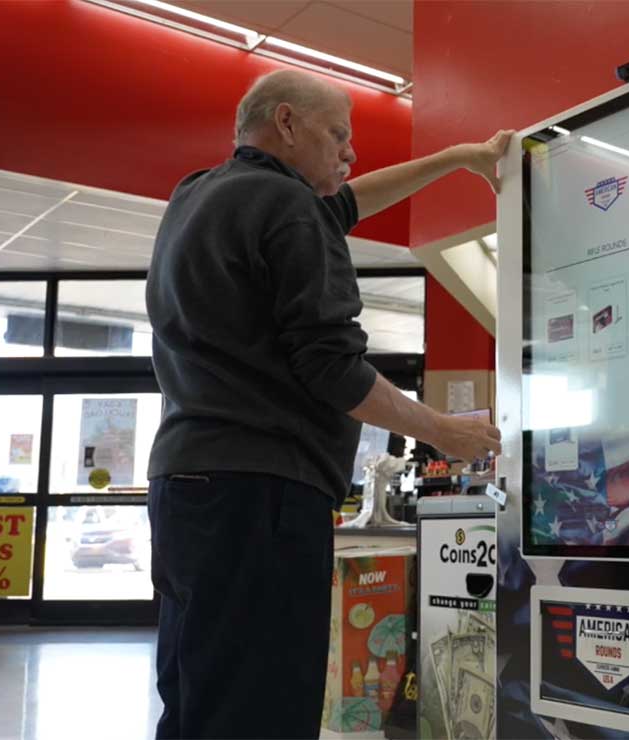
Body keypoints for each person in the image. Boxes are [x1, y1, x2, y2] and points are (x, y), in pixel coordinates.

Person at [144, 68, 510, 740]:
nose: (351, 152)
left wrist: (460, 158)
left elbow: (344, 202)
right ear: (286, 122)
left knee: (199, 692)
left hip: (185, 488)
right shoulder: (287, 209)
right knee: (264, 703)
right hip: (262, 494)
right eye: (338, 134)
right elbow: (332, 369)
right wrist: (443, 432)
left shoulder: (200, 195)